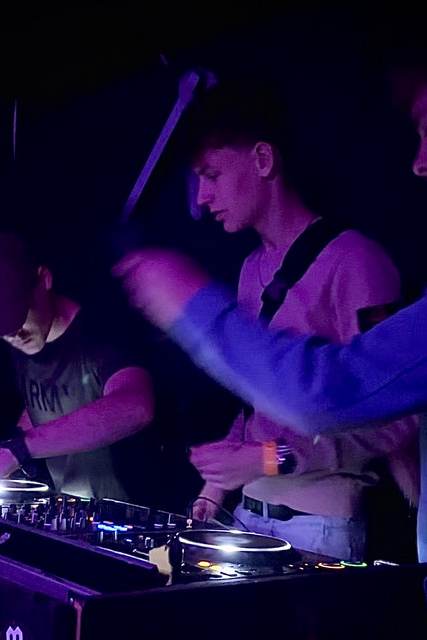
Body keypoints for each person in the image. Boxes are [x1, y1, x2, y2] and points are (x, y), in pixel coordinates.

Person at [112, 67, 427, 561]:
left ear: (262, 159)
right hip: (247, 513)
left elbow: (394, 423)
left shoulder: (354, 260)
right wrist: (215, 488)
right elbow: (259, 406)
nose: (203, 198)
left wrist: (270, 459)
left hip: (321, 528)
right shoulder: (249, 270)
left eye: (211, 175)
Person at [0, 231, 157, 508]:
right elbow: (47, 404)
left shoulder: (102, 335)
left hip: (130, 515)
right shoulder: (24, 342)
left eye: (14, 313)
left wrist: (17, 450)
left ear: (44, 279)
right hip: (70, 511)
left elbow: (136, 406)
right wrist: (1, 453)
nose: (12, 333)